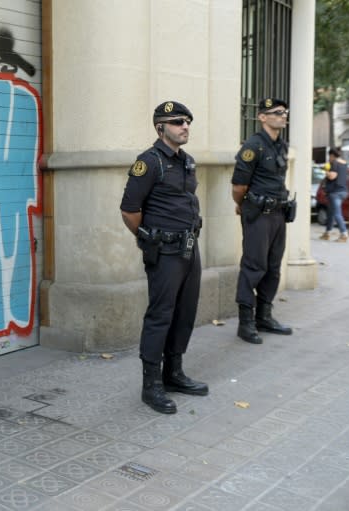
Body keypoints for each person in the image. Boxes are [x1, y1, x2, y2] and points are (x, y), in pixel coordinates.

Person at [120, 101, 209, 415]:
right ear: (160, 128)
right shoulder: (149, 162)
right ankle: (151, 384)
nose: (185, 127)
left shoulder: (187, 161)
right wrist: (150, 239)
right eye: (177, 122)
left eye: (187, 122)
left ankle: (174, 373)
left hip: (188, 248)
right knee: (161, 314)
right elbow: (130, 210)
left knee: (185, 311)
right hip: (165, 251)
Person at [231, 97, 293, 345]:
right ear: (263, 117)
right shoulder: (253, 146)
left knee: (273, 266)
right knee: (254, 266)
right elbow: (238, 186)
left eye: (284, 112)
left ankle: (264, 316)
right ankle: (245, 322)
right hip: (258, 215)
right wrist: (241, 205)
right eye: (277, 112)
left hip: (279, 214)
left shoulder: (281, 145)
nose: (282, 115)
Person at [319, 147, 349, 242]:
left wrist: (326, 171)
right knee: (331, 213)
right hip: (343, 191)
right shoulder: (344, 164)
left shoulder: (335, 163)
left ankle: (344, 233)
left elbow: (332, 176)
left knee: (336, 214)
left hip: (335, 192)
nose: (329, 159)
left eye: (329, 156)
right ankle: (327, 233)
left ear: (332, 155)